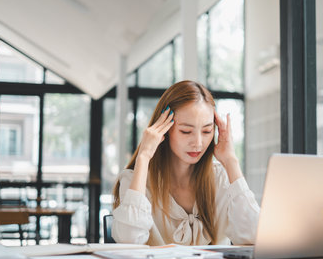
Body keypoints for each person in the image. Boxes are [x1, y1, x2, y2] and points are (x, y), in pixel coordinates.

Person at [111, 80, 260, 245]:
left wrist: (231, 161)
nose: (198, 142)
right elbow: (128, 240)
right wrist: (144, 156)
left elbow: (255, 237)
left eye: (207, 131)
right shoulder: (136, 181)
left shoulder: (220, 178)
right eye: (186, 131)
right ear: (163, 129)